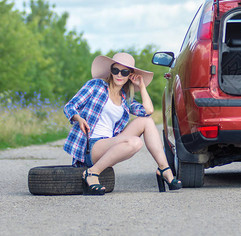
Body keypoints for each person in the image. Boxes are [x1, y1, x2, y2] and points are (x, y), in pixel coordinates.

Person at [63, 52, 181, 195]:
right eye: (116, 70)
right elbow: (70, 106)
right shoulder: (96, 85)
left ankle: (164, 169)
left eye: (124, 72)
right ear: (111, 72)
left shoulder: (125, 98)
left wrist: (142, 86)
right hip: (91, 146)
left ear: (130, 75)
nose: (119, 75)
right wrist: (78, 118)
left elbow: (148, 110)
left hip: (110, 145)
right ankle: (92, 173)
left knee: (147, 122)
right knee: (135, 142)